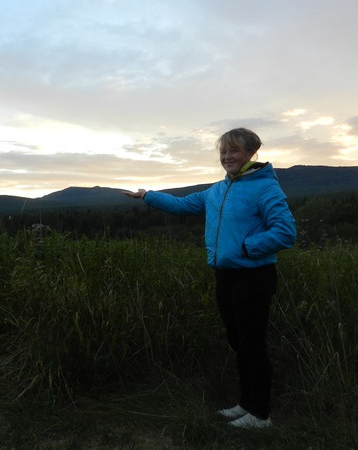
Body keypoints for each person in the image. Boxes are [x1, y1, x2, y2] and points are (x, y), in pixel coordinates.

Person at [122, 128, 296, 429]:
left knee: (252, 345)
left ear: (250, 153)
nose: (227, 156)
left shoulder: (265, 188)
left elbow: (285, 231)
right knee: (238, 342)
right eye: (223, 152)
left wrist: (247, 248)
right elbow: (182, 206)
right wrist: (148, 196)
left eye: (234, 150)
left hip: (254, 277)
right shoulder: (217, 190)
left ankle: (260, 414)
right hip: (225, 277)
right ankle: (246, 404)